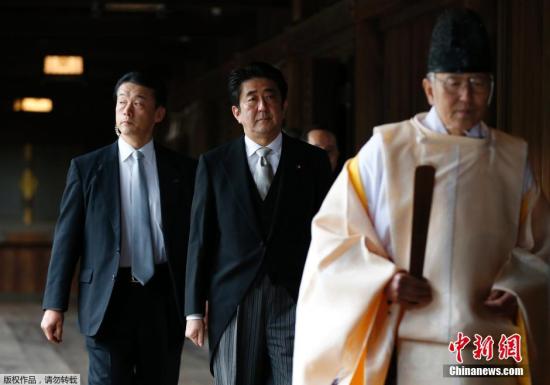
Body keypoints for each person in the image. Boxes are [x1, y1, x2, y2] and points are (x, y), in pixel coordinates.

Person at [293, 8, 549, 385]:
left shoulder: (513, 158)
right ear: (429, 88)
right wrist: (384, 281)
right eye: (453, 83)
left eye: (479, 82)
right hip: (408, 337)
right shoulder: (386, 149)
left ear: (492, 88)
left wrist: (517, 289)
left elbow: (541, 247)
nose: (467, 95)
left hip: (486, 343)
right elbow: (333, 240)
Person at [40, 71, 197, 385]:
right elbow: (66, 239)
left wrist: (198, 303)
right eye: (121, 102)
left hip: (164, 298)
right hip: (107, 298)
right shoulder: (87, 169)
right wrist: (54, 304)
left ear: (159, 114)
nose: (126, 110)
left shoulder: (184, 170)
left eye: (138, 102)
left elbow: (197, 240)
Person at [184, 61, 332, 385]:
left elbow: (330, 234)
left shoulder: (313, 161)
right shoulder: (214, 164)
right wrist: (194, 310)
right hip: (234, 299)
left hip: (295, 297)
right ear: (237, 112)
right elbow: (200, 239)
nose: (262, 106)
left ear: (284, 105)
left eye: (270, 97)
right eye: (252, 99)